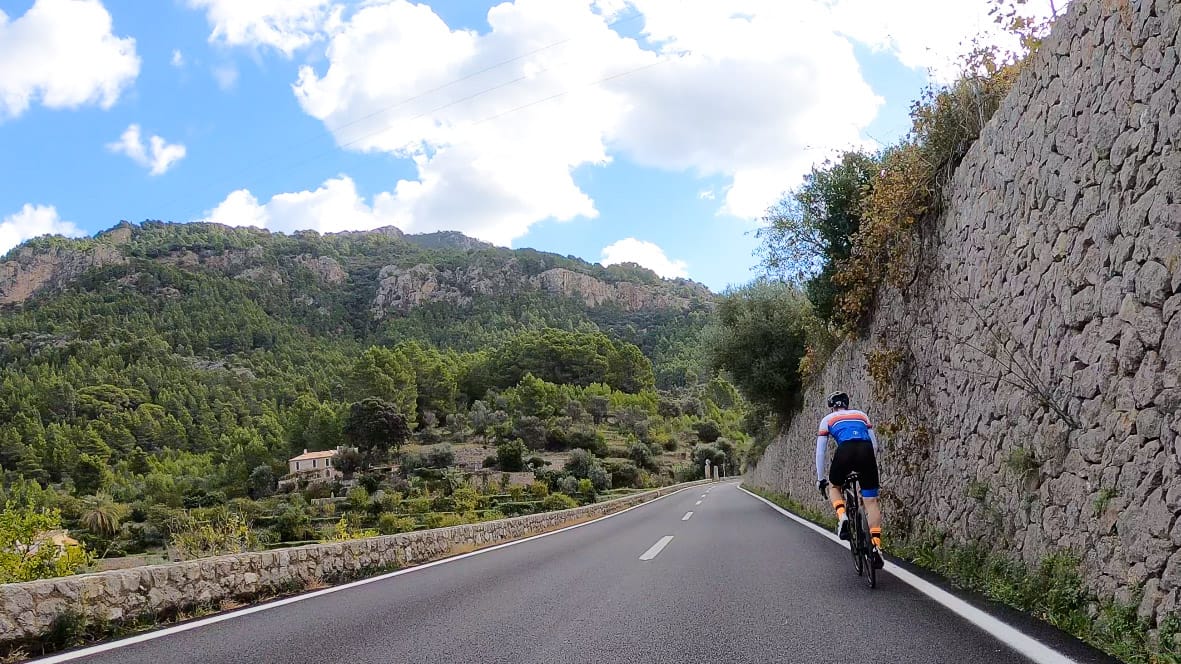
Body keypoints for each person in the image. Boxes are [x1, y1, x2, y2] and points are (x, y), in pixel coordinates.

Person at [815, 391, 883, 569]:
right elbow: (875, 444)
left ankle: (842, 516)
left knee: (834, 486)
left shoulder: (827, 419)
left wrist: (821, 479)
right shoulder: (861, 415)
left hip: (844, 450)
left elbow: (820, 452)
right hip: (866, 451)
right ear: (847, 403)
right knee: (871, 501)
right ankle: (876, 545)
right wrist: (868, 466)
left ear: (832, 406)